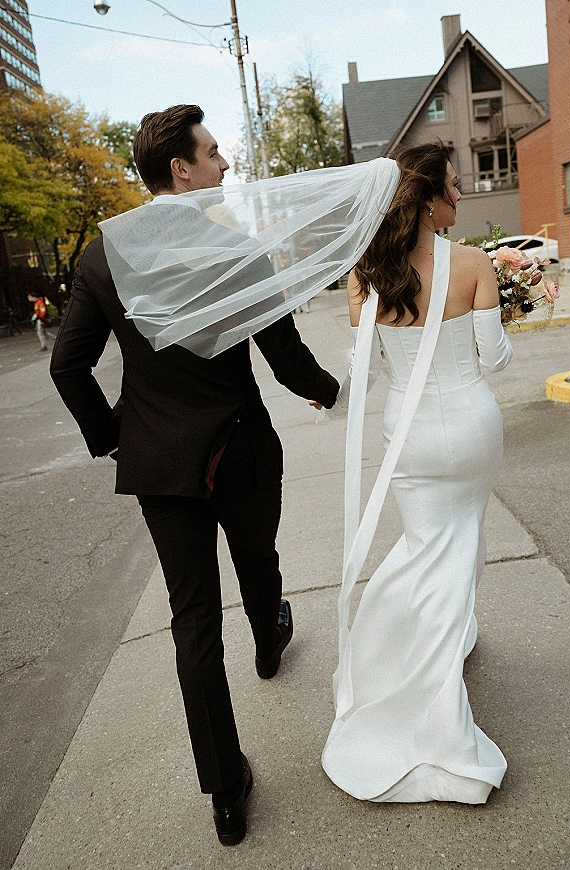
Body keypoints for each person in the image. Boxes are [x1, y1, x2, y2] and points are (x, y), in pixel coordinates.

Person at [50, 104, 339, 846]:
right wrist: (335, 389)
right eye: (213, 154)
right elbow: (285, 358)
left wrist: (115, 435)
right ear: (181, 169)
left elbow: (68, 364)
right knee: (258, 560)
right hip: (240, 449)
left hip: (159, 465)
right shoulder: (233, 250)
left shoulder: (101, 255)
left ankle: (225, 791)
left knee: (192, 623)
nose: (223, 165)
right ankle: (271, 641)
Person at [318, 143, 512, 804]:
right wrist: (513, 304)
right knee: (463, 543)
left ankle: (432, 642)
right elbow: (496, 359)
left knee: (431, 546)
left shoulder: (363, 274)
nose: (461, 197)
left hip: (412, 441)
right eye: (454, 187)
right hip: (474, 427)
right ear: (427, 197)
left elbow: (366, 375)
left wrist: (328, 396)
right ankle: (433, 674)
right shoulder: (476, 264)